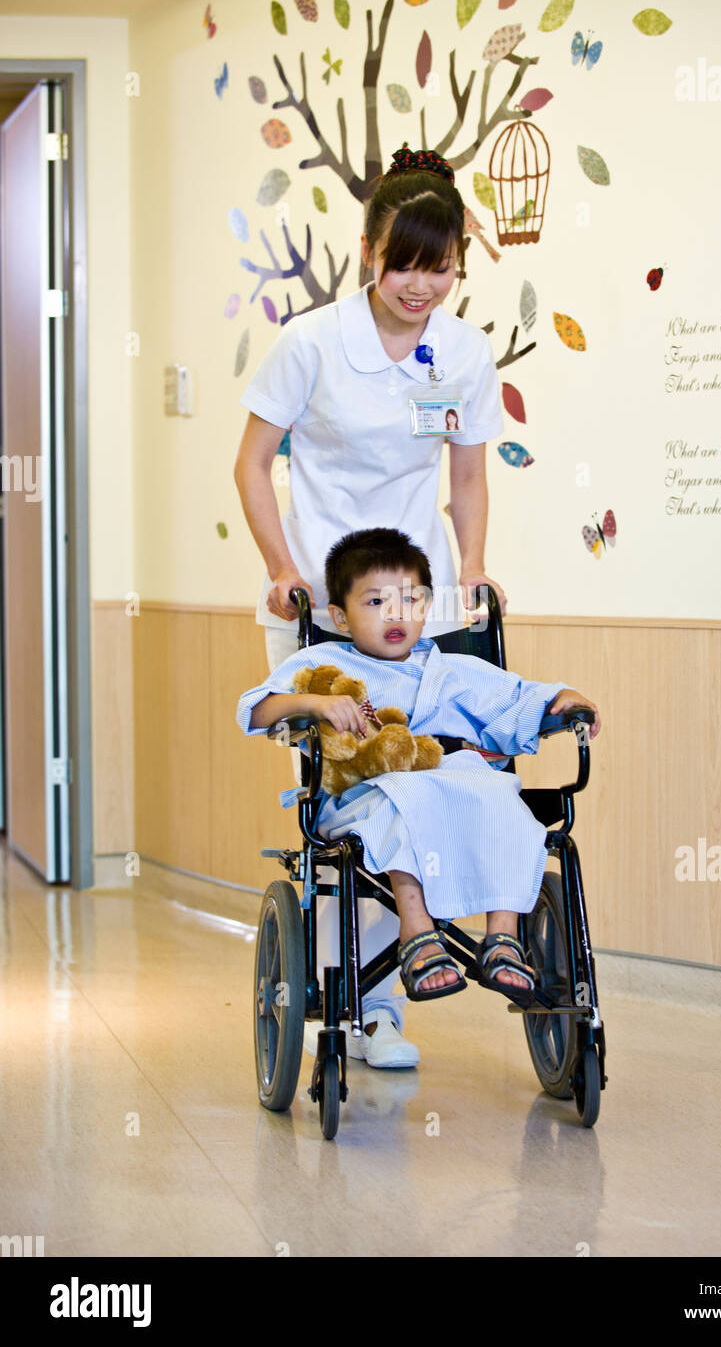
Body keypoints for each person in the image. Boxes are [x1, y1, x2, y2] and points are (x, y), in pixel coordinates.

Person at [234, 145, 507, 1065]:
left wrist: (471, 567)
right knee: (352, 789)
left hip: (414, 599)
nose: (421, 285)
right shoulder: (309, 343)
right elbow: (252, 463)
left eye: (440, 266)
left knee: (428, 772)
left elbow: (465, 471)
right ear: (367, 251)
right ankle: (362, 1002)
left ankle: (384, 999)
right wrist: (280, 568)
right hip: (317, 593)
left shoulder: (463, 352)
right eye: (404, 263)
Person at [237, 528, 601, 1001]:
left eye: (410, 600)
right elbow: (256, 709)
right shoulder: (324, 659)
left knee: (504, 796)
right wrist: (314, 703)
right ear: (340, 618)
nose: (395, 613)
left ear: (427, 608)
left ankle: (504, 937)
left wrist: (560, 698)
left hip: (458, 790)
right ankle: (417, 932)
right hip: (366, 799)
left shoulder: (454, 670)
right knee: (404, 798)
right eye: (374, 602)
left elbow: (518, 699)